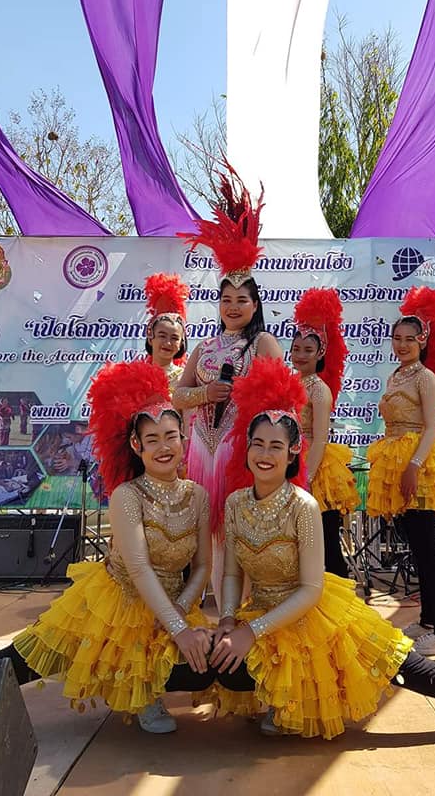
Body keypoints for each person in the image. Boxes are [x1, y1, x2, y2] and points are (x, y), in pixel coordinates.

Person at [206, 356, 435, 739]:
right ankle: (285, 698)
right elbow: (231, 573)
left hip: (316, 618)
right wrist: (228, 620)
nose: (264, 454)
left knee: (415, 672)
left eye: (276, 446)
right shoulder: (236, 502)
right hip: (264, 617)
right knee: (222, 665)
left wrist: (250, 632)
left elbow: (310, 591)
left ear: (293, 453)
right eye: (257, 444)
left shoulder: (303, 504)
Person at [0, 359, 215, 733]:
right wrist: (177, 627)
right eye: (152, 439)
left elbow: (203, 565)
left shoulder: (198, 496)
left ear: (183, 439)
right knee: (11, 664)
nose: (163, 447)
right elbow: (138, 568)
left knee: (203, 666)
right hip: (117, 602)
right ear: (136, 446)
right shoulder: (127, 495)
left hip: (172, 602)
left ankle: (148, 680)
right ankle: (139, 691)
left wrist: (180, 609)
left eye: (170, 436)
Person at [174, 164, 282, 597]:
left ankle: (244, 611)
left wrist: (244, 398)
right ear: (218, 304)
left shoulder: (264, 344)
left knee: (243, 533)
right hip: (202, 448)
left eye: (242, 300)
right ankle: (220, 609)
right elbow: (177, 396)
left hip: (241, 448)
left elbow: (281, 405)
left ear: (256, 306)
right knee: (210, 536)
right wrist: (206, 392)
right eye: (226, 300)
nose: (233, 306)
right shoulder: (203, 347)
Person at [366, 287, 435, 656]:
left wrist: (413, 466)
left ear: (423, 341)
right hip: (396, 460)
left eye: (410, 339)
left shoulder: (425, 377)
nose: (402, 345)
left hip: (418, 465)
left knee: (427, 549)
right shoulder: (397, 375)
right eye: (397, 338)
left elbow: (432, 427)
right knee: (417, 548)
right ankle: (427, 620)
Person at [289, 288, 359, 577]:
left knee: (327, 542)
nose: (300, 355)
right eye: (296, 349)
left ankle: (340, 597)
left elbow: (320, 438)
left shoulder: (319, 389)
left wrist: (306, 477)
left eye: (308, 350)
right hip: (291, 462)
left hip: (316, 471)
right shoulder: (290, 383)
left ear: (320, 354)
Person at [144, 272, 190, 393]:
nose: (168, 343)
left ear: (181, 343)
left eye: (174, 338)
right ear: (150, 338)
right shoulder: (134, 377)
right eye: (162, 336)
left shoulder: (186, 380)